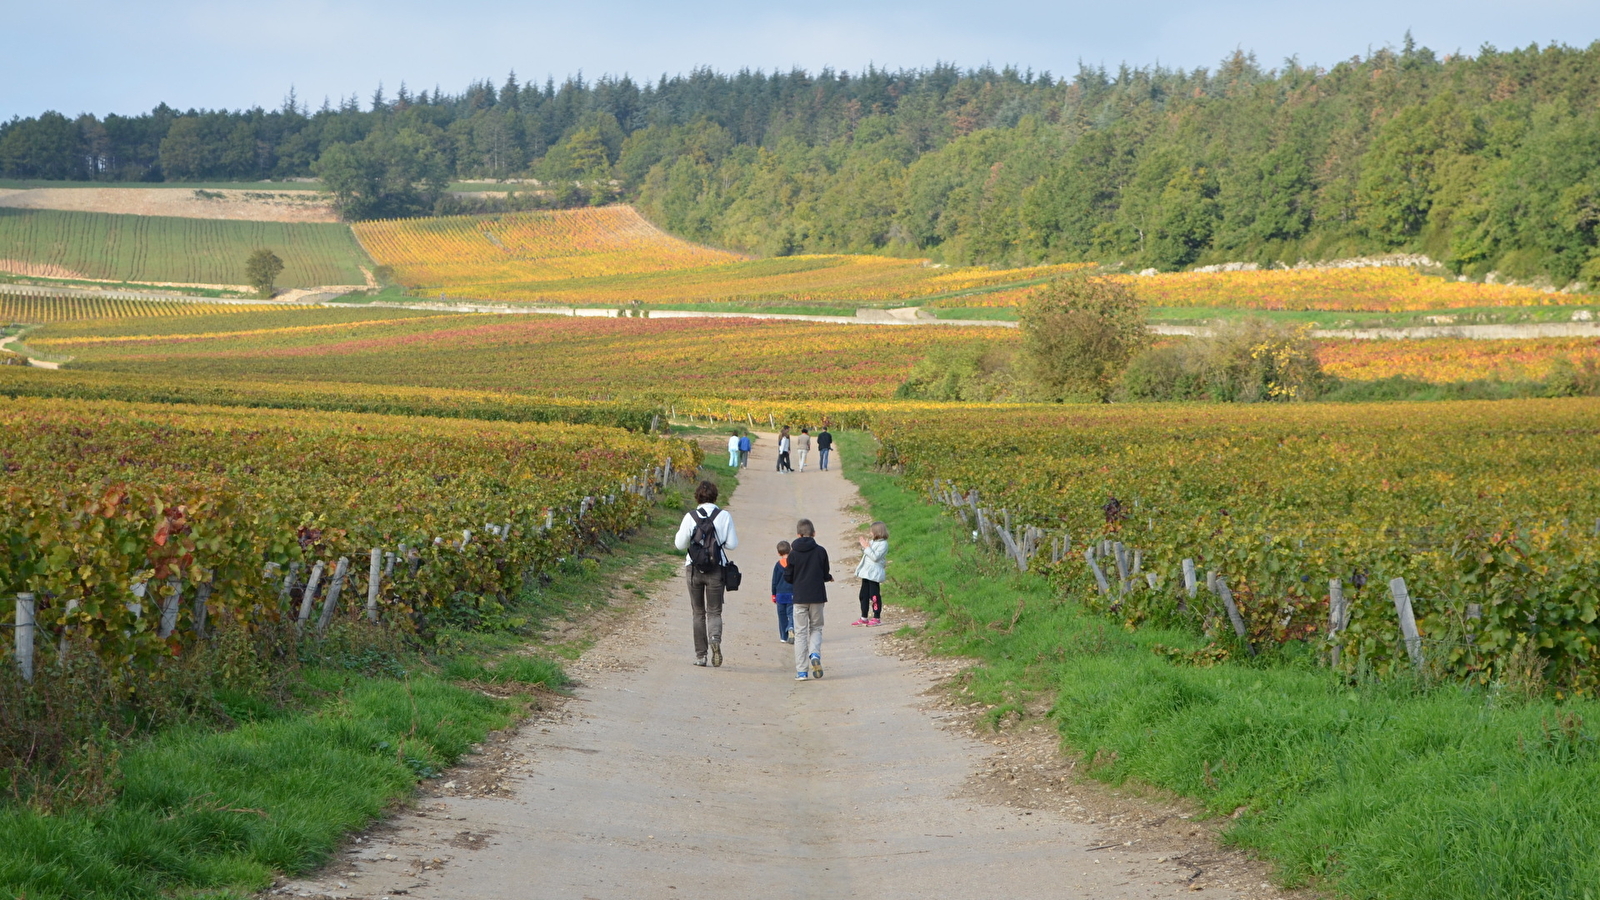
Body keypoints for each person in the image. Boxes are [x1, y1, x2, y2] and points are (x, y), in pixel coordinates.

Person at [673, 480, 739, 667]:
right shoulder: (724, 516)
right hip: (716, 569)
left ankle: (700, 656)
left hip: (694, 568)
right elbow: (732, 544)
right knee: (714, 611)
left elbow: (679, 544)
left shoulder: (690, 516)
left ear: (697, 496)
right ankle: (715, 639)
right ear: (715, 496)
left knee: (698, 612)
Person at [784, 518, 832, 680]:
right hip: (817, 596)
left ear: (798, 535)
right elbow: (825, 573)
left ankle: (802, 671)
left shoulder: (793, 554)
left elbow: (788, 576)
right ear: (814, 533)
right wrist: (828, 577)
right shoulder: (821, 551)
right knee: (816, 628)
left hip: (800, 597)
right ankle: (814, 654)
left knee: (800, 633)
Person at [853, 521, 889, 627]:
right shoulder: (873, 542)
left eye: (872, 531)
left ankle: (876, 617)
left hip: (874, 573)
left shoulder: (883, 544)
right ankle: (864, 617)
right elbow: (867, 553)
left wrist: (866, 547)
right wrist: (864, 546)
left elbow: (875, 557)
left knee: (874, 596)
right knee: (863, 595)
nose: (870, 533)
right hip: (866, 573)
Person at [772, 540, 795, 643]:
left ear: (778, 553)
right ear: (790, 551)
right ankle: (791, 627)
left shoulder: (777, 565)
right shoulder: (793, 564)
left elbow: (774, 581)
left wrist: (773, 594)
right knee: (792, 613)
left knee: (782, 615)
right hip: (792, 593)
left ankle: (783, 636)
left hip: (780, 594)